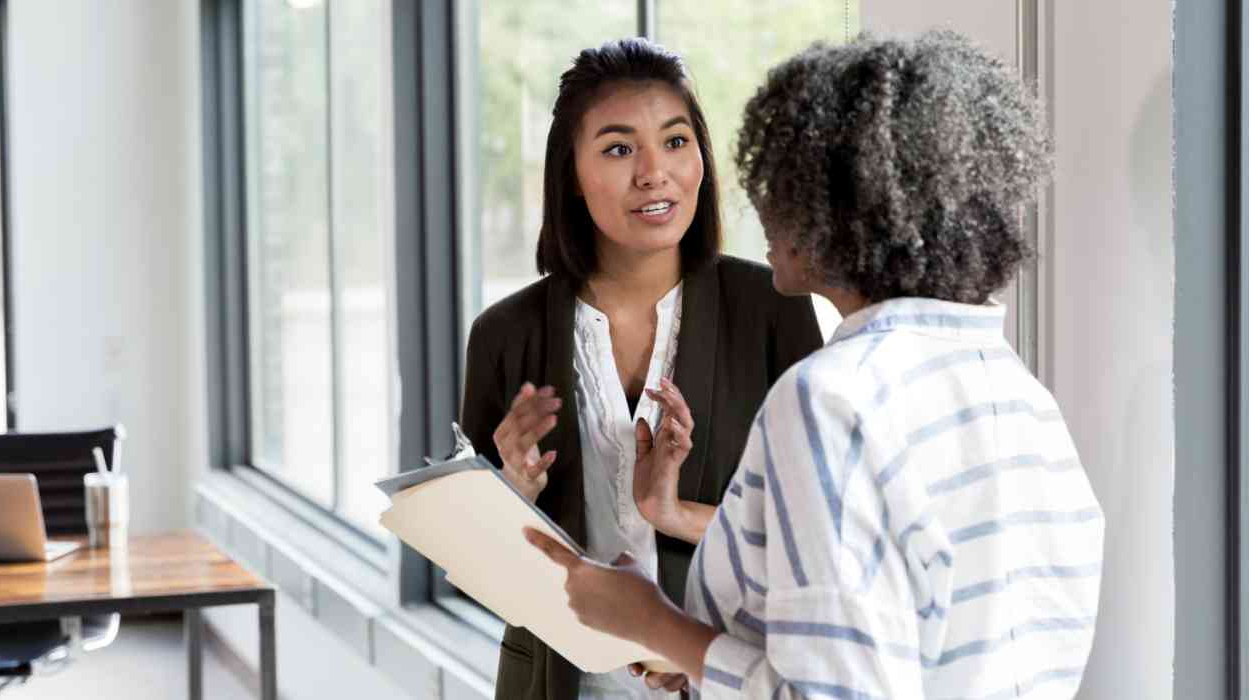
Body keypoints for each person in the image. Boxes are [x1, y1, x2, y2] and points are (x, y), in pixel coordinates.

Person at [524, 30, 1104, 699]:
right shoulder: (1021, 396)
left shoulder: (831, 401)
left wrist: (652, 622)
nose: (761, 205)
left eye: (782, 181)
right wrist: (703, 656)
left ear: (840, 209)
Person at [460, 38, 823, 700]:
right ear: (570, 173)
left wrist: (678, 510)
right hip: (562, 684)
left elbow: (815, 534)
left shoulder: (772, 309)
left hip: (728, 676)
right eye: (620, 148)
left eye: (676, 141)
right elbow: (477, 573)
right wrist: (513, 491)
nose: (655, 172)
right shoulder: (503, 336)